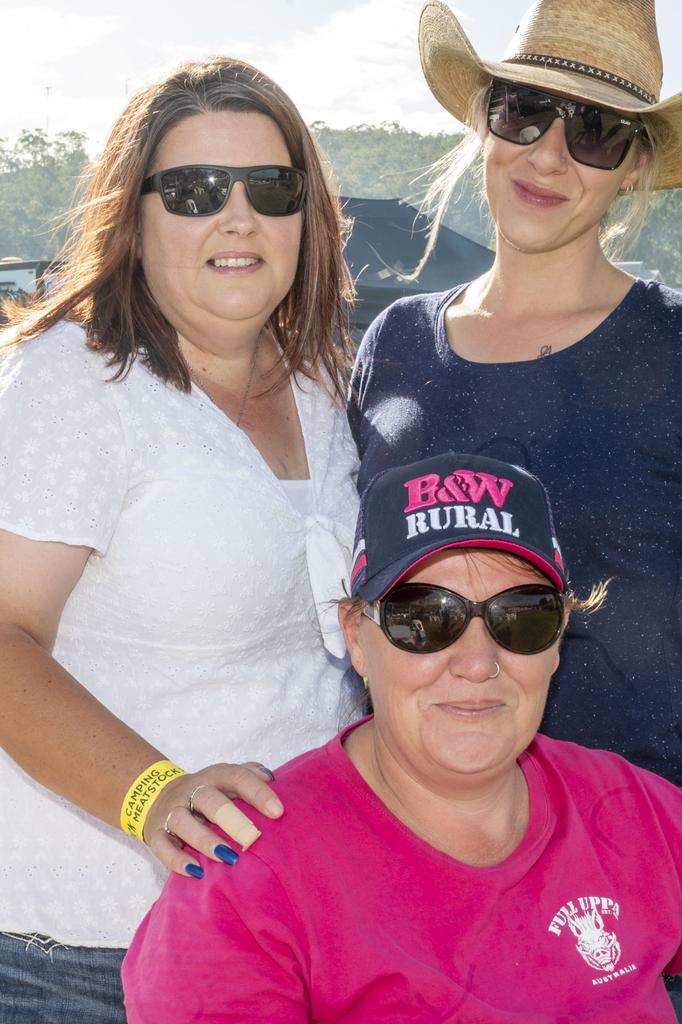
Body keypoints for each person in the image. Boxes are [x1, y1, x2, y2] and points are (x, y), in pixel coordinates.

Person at [347, 5, 682, 1018]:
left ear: (636, 167)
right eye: (525, 110)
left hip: (619, 885)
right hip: (400, 873)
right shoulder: (396, 343)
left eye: (597, 132)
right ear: (485, 121)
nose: (550, 154)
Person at [122, 453, 682, 1023]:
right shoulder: (251, 871)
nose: (478, 662)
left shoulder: (627, 812)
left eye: (522, 616)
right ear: (356, 635)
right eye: (426, 619)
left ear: (559, 636)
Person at [0, 57, 359, 1021]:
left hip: (285, 934)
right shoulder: (79, 385)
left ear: (307, 213)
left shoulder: (323, 380)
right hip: (87, 953)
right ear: (137, 216)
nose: (237, 218)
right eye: (196, 190)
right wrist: (150, 796)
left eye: (270, 188)